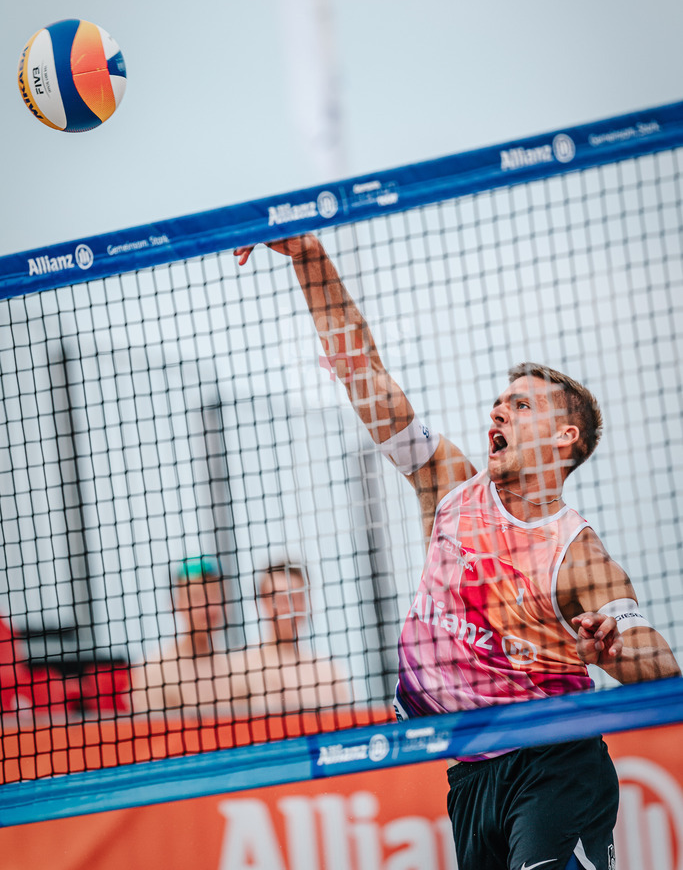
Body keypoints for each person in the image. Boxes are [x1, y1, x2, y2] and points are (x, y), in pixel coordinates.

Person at [236, 234, 680, 870]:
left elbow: (661, 667)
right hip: (467, 774)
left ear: (563, 437)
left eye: (520, 404)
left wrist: (615, 647)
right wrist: (310, 259)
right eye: (500, 400)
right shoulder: (448, 483)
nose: (498, 409)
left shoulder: (576, 553)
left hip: (555, 764)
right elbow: (365, 373)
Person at [226, 559, 352, 717]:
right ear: (261, 603)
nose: (290, 609)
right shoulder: (239, 668)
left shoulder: (329, 672)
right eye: (280, 600)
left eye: (297, 598)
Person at [130, 555, 234, 718]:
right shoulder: (155, 671)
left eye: (214, 595)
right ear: (175, 603)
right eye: (197, 597)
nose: (208, 606)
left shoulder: (236, 667)